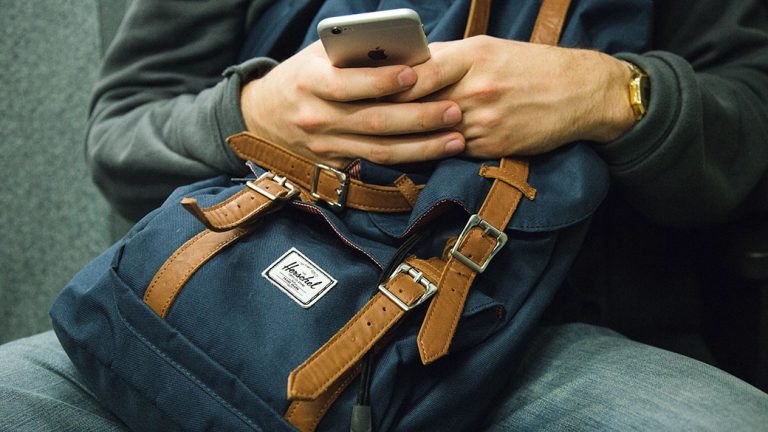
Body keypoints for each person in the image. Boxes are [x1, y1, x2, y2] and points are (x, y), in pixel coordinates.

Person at [2, 0, 768, 430]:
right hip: (234, 282)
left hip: (539, 332)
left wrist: (616, 95)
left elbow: (749, 127)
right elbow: (121, 133)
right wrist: (254, 111)